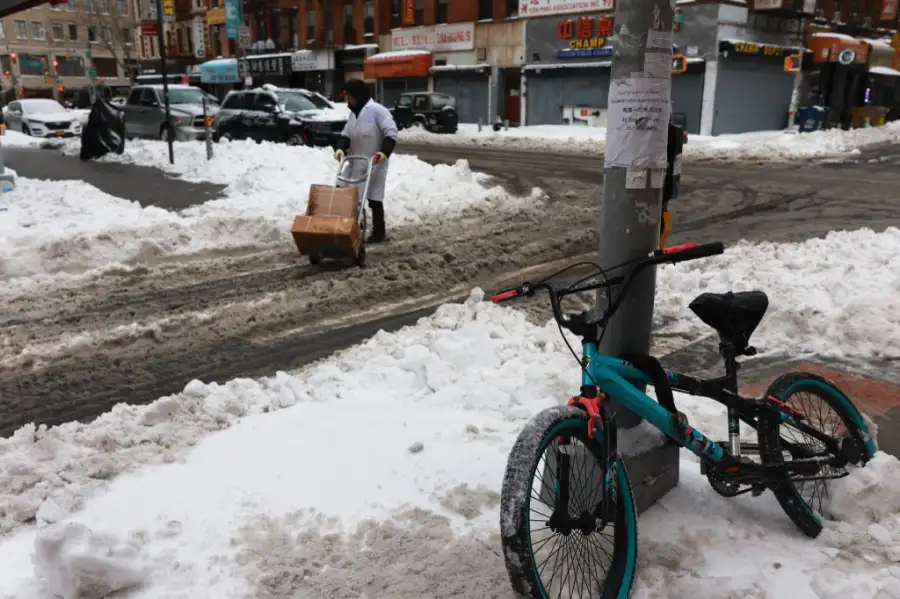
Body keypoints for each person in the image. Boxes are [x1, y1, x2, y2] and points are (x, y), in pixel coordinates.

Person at [334, 79, 398, 243]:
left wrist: (384, 152)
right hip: (355, 161)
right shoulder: (353, 114)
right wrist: (340, 148)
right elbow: (346, 134)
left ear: (358, 95)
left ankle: (379, 232)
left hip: (374, 162)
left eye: (349, 96)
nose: (347, 100)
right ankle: (348, 227)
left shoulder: (378, 111)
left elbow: (391, 133)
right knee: (345, 192)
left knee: (374, 198)